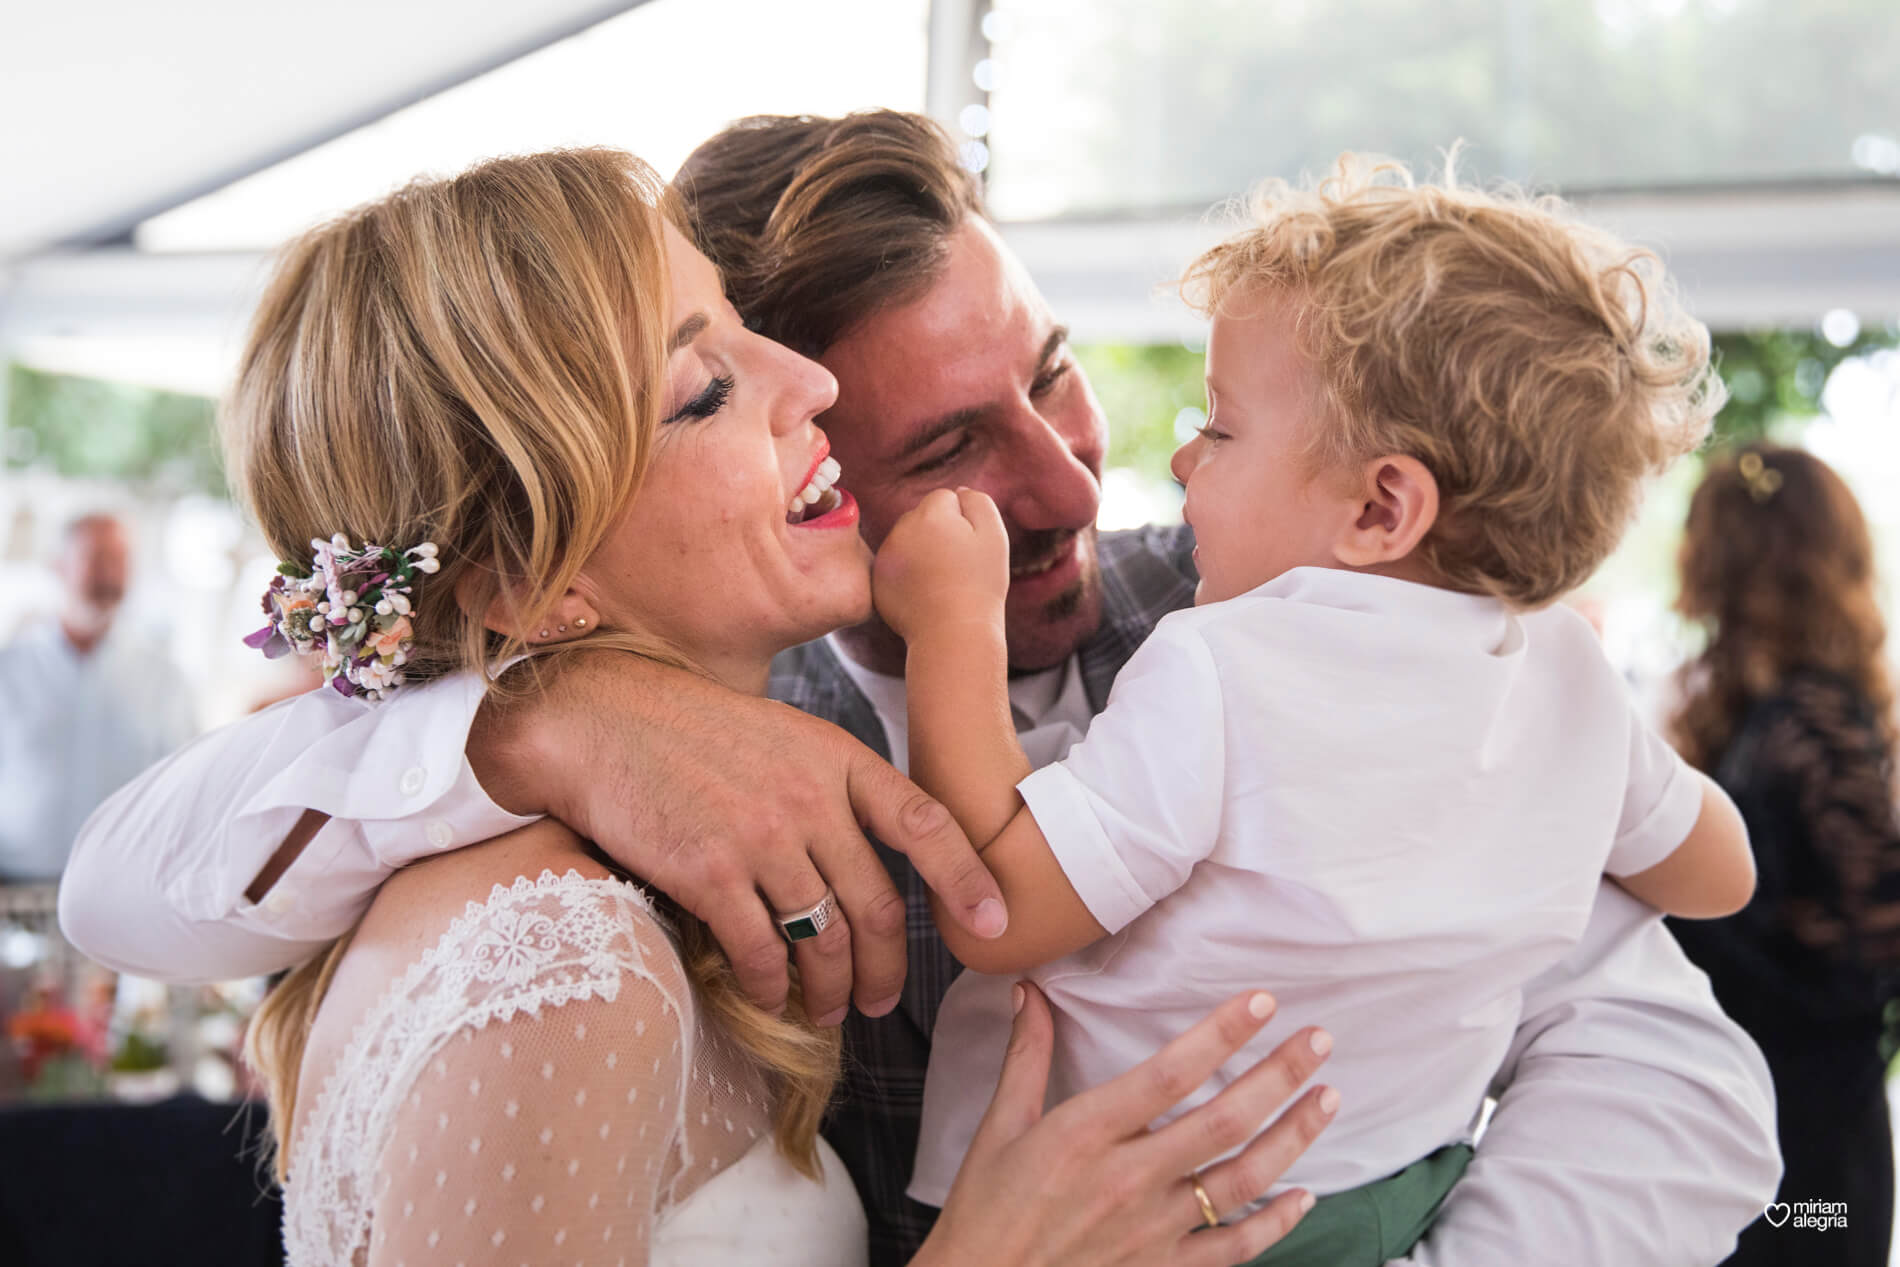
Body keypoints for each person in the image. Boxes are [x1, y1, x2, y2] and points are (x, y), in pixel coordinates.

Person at [62, 112, 1782, 1266]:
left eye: (1051, 381)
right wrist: (533, 718)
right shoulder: (680, 732)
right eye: (951, 444)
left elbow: (1668, 1071)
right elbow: (124, 882)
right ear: (827, 463)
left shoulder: (1301, 605)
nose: (1066, 488)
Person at [218, 147, 1334, 1265]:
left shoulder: (1288, 604)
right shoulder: (561, 961)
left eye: (1049, 372)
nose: (813, 388)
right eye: (705, 390)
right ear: (531, 583)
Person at [875, 155, 1753, 1266]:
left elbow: (996, 906)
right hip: (1396, 1194)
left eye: (1221, 429)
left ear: (1383, 505)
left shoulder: (1220, 668)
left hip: (1140, 1216)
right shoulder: (1568, 677)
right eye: (944, 446)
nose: (1182, 457)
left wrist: (950, 626)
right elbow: (1717, 877)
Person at [1667, 445, 1900, 1267]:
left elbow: (1871, 948)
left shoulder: (1813, 720)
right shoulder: (1777, 711)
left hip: (1812, 1169)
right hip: (1770, 1133)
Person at [0, 513, 195, 880]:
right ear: (58, 565)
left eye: (119, 560)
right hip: (15, 890)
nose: (109, 574)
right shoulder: (9, 669)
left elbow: (184, 787)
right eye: (96, 558)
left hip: (124, 885)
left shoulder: (165, 678)